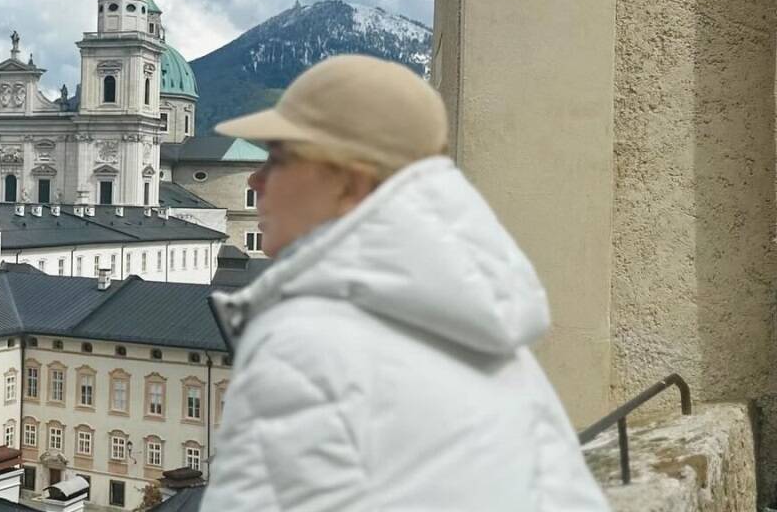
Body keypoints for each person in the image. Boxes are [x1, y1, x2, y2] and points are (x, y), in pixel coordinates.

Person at [200, 55, 609, 511]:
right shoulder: (486, 333)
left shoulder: (306, 345)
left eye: (277, 158)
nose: (255, 181)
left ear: (347, 183)